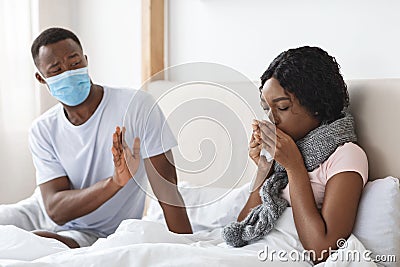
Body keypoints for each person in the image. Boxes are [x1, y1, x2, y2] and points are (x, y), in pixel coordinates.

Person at [0, 27, 192, 248]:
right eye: (56, 70)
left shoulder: (137, 106)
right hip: (37, 212)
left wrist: (188, 249)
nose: (69, 73)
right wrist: (114, 183)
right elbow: (55, 210)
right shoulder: (43, 129)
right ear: (41, 78)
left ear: (86, 60)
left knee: (27, 244)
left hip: (91, 232)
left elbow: (168, 190)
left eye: (74, 63)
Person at [223, 46, 368, 263]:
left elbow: (322, 249)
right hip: (253, 252)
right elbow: (244, 227)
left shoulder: (346, 156)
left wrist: (294, 167)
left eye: (281, 107)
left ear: (316, 105)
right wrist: (265, 169)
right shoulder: (283, 158)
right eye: (266, 109)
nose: (272, 119)